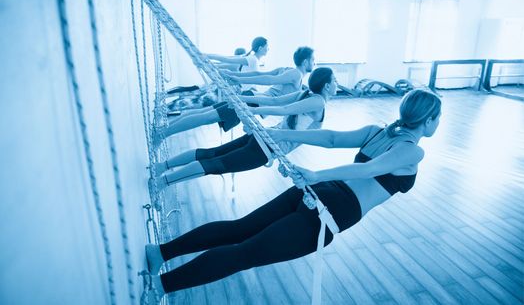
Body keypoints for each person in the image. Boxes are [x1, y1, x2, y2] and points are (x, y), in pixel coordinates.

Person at [144, 89, 442, 298]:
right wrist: (308, 165)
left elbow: (330, 138)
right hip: (333, 211)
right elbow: (369, 169)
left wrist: (287, 137)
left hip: (319, 192)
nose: (438, 124)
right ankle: (160, 287)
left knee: (239, 231)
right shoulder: (412, 152)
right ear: (428, 121)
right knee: (244, 253)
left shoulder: (377, 131)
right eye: (437, 118)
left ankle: (160, 253)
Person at [153, 67, 336, 189]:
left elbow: (274, 101)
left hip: (262, 137)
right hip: (267, 147)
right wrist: (246, 105)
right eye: (334, 80)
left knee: (212, 154)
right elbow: (283, 109)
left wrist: (243, 100)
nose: (337, 84)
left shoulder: (305, 94)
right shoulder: (318, 101)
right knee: (215, 163)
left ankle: (162, 167)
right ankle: (162, 182)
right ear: (327, 86)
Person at [154, 47, 315, 145]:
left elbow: (259, 73)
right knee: (206, 117)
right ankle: (163, 133)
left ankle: (163, 130)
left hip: (249, 98)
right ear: (306, 61)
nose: (314, 63)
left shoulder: (287, 70)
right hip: (251, 103)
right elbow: (268, 79)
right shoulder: (295, 74)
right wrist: (237, 77)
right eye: (313, 60)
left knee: (204, 114)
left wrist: (237, 76)